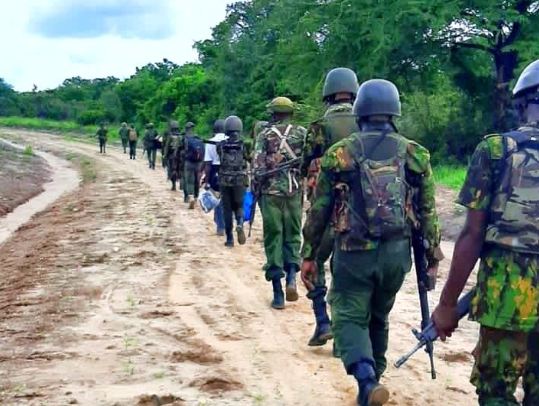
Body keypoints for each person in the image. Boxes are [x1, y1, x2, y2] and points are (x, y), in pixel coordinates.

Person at [301, 79, 442, 406]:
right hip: (397, 254)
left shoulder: (339, 155)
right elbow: (428, 213)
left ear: (360, 112)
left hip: (353, 254)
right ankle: (374, 382)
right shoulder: (415, 154)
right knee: (379, 315)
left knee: (348, 314)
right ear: (394, 112)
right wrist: (431, 259)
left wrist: (310, 255)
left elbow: (319, 213)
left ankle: (366, 379)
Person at [432, 60, 539, 406]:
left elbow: (471, 236)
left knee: (496, 390)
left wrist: (447, 305)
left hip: (507, 291)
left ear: (522, 104)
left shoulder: (496, 151)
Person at [302, 67, 360, 348]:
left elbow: (306, 165)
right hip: (358, 210)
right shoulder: (364, 120)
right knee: (346, 269)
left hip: (325, 207)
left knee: (314, 262)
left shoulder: (319, 127)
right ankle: (343, 332)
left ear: (328, 92)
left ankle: (322, 321)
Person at [253, 97, 306, 309]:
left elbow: (257, 167)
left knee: (273, 238)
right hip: (294, 191)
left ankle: (278, 293)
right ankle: (292, 277)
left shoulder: (264, 135)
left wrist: (257, 187)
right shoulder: (302, 133)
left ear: (273, 114)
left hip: (271, 193)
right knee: (293, 235)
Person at [217, 116, 249, 247]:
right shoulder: (244, 145)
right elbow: (250, 158)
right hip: (240, 179)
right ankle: (240, 223)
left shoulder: (221, 146)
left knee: (227, 209)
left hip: (224, 179)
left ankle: (229, 239)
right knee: (240, 205)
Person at [204, 119, 227, 236]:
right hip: (231, 170)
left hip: (215, 171)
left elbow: (208, 163)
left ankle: (220, 227)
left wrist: (206, 180)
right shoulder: (230, 140)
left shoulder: (210, 142)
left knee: (218, 199)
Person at [183, 122, 205, 209]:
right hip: (198, 163)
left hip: (188, 162)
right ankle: (196, 198)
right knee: (196, 181)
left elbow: (179, 149)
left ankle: (191, 197)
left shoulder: (185, 138)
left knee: (189, 181)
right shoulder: (198, 138)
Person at [163, 120, 183, 191]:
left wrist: (165, 156)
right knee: (180, 170)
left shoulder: (170, 137)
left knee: (171, 170)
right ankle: (181, 183)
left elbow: (167, 147)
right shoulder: (181, 136)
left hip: (172, 157)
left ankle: (174, 185)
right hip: (180, 157)